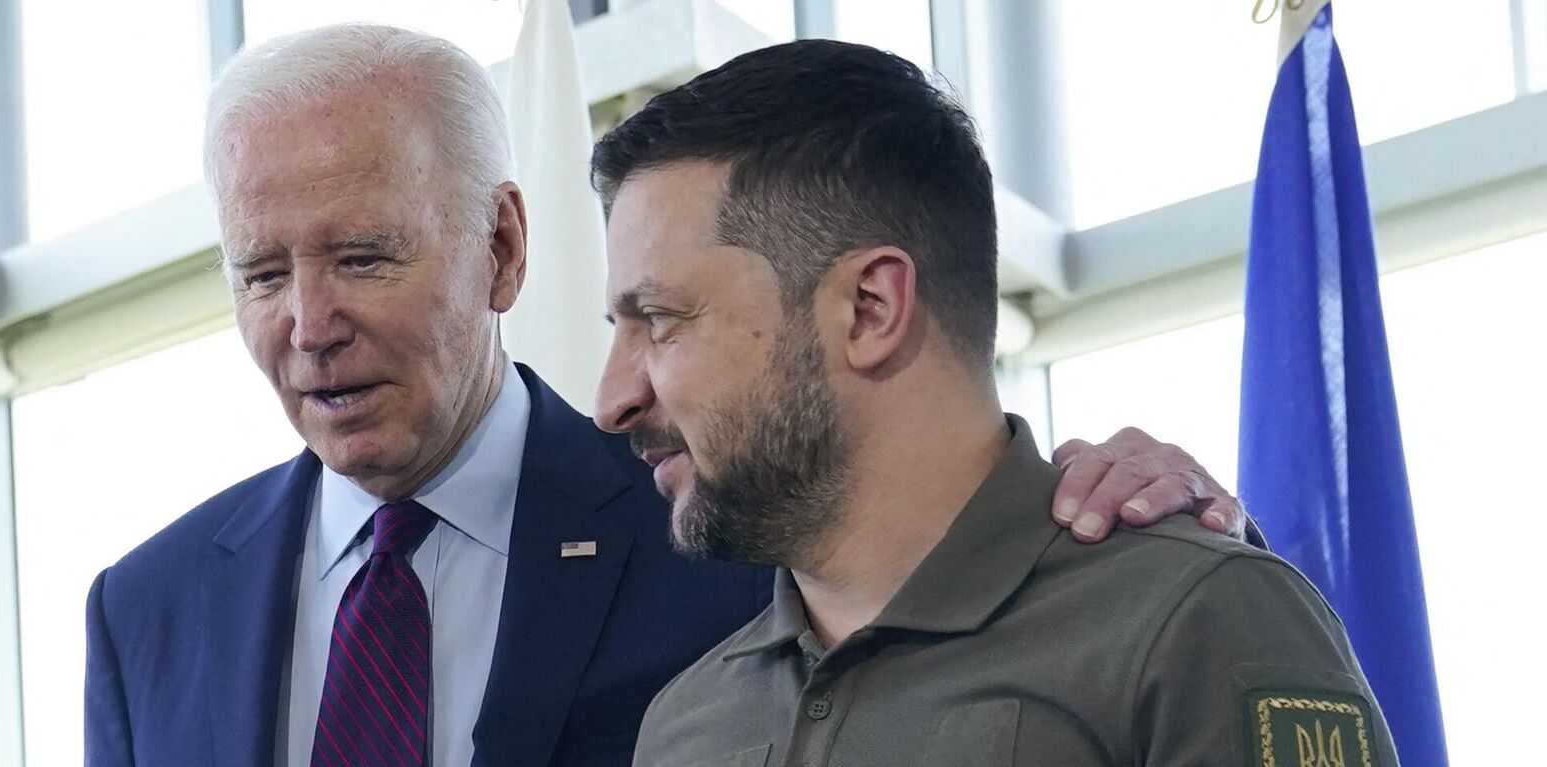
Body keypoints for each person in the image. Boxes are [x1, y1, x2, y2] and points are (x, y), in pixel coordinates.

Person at [83, 25, 1248, 767]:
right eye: (262, 274)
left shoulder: (731, 509)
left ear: (500, 247)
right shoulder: (146, 613)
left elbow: (952, 513)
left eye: (365, 257)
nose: (309, 322)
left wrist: (1159, 528)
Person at [592, 40, 1395, 766]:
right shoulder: (685, 722)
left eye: (659, 320)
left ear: (870, 308)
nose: (610, 400)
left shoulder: (1191, 622)